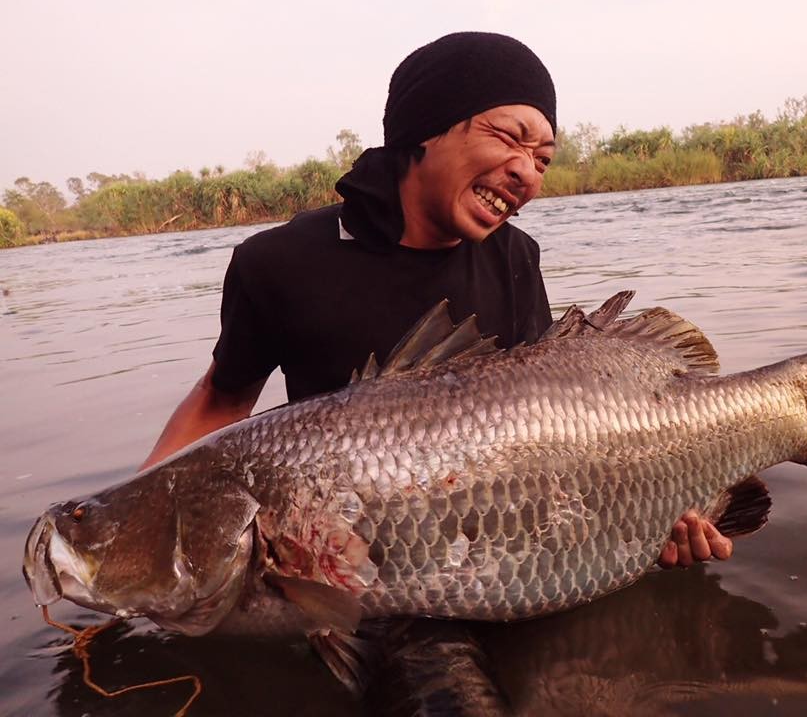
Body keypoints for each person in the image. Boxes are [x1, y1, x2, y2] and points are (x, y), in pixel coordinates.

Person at [140, 32, 731, 570]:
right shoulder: (277, 262)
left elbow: (548, 433)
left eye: (544, 159)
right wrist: (136, 528)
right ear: (426, 127)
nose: (527, 173)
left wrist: (652, 511)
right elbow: (222, 399)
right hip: (341, 560)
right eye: (509, 137)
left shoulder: (515, 255)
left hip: (483, 549)